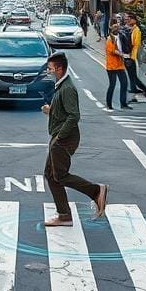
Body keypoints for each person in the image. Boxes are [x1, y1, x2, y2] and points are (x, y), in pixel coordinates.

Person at [40, 52, 108, 227]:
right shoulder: (61, 86)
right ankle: (64, 215)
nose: (49, 72)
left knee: (59, 176)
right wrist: (51, 110)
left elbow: (73, 116)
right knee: (50, 175)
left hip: (64, 138)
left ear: (59, 68)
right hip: (60, 136)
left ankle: (95, 191)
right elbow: (65, 112)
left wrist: (60, 136)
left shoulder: (68, 88)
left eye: (50, 69)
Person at [123, 12, 146, 103]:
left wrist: (132, 54)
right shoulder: (131, 29)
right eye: (128, 19)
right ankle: (133, 88)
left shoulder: (136, 30)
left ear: (134, 20)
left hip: (134, 55)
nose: (129, 20)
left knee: (134, 75)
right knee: (131, 74)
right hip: (130, 54)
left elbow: (136, 44)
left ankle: (144, 89)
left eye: (130, 19)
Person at [105, 22, 129, 111]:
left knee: (124, 83)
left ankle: (123, 103)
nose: (119, 30)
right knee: (112, 85)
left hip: (119, 65)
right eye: (117, 29)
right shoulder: (109, 39)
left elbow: (121, 47)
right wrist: (123, 55)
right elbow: (113, 51)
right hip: (111, 66)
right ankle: (109, 104)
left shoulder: (118, 37)